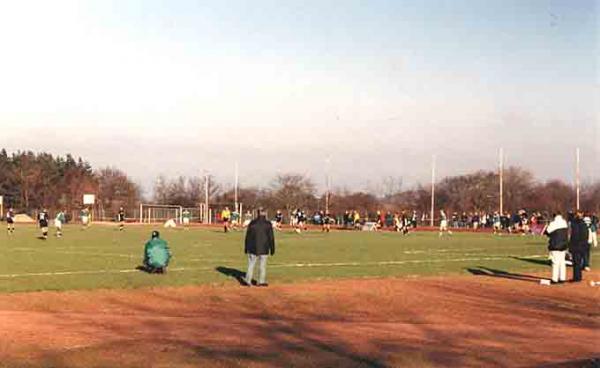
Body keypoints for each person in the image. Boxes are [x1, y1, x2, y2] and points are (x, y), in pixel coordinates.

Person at [243, 208, 275, 287]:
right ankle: (261, 281)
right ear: (265, 213)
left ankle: (248, 281)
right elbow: (271, 237)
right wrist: (272, 248)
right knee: (262, 265)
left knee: (251, 264)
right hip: (264, 247)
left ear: (257, 213)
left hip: (252, 247)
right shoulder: (268, 224)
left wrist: (246, 247)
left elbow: (248, 236)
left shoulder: (252, 223)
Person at [544, 212, 569, 284]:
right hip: (563, 245)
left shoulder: (553, 223)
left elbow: (547, 232)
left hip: (555, 245)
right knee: (562, 262)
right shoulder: (564, 222)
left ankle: (554, 279)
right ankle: (562, 278)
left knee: (555, 262)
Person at [569, 211, 589, 282]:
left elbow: (574, 236)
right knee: (579, 262)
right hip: (583, 245)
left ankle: (577, 278)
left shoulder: (575, 224)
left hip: (576, 245)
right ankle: (578, 277)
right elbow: (586, 235)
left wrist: (571, 245)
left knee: (576, 262)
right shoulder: (584, 224)